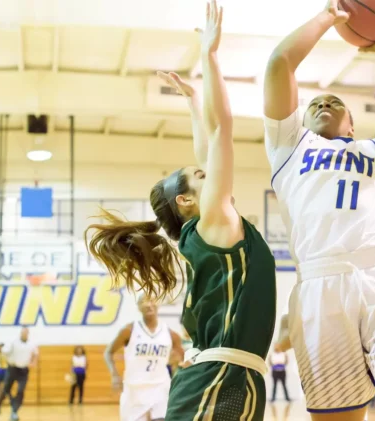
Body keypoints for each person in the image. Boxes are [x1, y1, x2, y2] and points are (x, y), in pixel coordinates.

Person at [85, 2, 276, 418]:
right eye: (200, 175)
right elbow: (222, 128)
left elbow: (208, 142)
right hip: (219, 378)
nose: (211, 172)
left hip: (223, 375)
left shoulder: (210, 229)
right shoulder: (212, 224)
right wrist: (208, 57)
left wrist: (192, 103)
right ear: (187, 201)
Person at [262, 0, 375, 417]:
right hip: (321, 290)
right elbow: (280, 64)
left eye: (335, 102)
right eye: (315, 104)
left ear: (352, 125)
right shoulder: (290, 147)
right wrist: (330, 17)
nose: (324, 104)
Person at [105, 294, 182, 421]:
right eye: (143, 301)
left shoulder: (170, 334)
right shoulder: (129, 330)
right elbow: (108, 352)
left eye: (152, 300)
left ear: (158, 304)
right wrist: (114, 374)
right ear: (138, 307)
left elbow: (184, 358)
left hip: (160, 387)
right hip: (134, 389)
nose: (148, 304)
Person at [0, 326, 38, 420]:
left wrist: (33, 362)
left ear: (28, 333)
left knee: (20, 390)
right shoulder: (13, 342)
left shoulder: (31, 344)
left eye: (26, 333)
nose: (24, 334)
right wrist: (4, 351)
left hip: (24, 370)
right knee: (6, 388)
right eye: (23, 332)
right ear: (20, 333)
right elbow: (4, 351)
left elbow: (36, 354)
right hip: (12, 369)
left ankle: (14, 411)